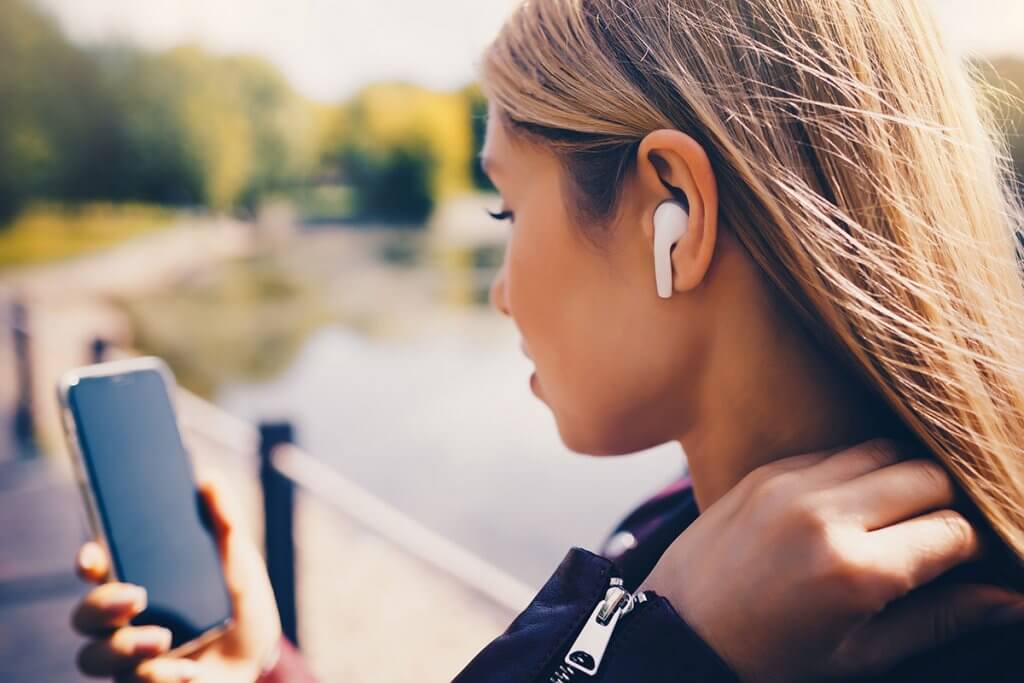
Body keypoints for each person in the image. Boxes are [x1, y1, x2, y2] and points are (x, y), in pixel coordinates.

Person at [69, 0, 1024, 681]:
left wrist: (653, 653)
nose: (498, 293)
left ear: (675, 213)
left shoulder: (961, 640)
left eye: (505, 207)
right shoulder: (685, 530)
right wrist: (264, 669)